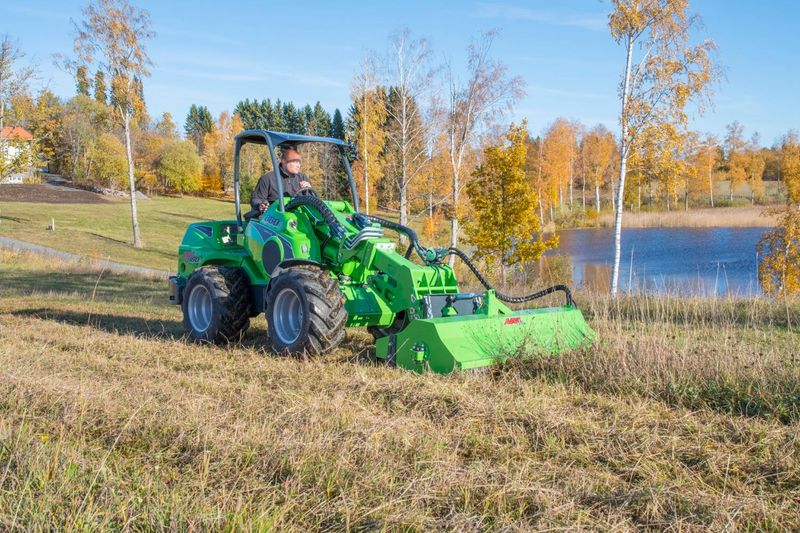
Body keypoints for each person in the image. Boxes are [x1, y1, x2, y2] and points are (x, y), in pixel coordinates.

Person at [248, 146, 314, 216]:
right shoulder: (268, 178)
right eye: (295, 162)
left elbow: (314, 201)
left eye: (299, 162)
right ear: (284, 161)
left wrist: (309, 190)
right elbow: (256, 199)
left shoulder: (302, 178)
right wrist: (261, 205)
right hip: (273, 217)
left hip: (298, 217)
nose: (298, 165)